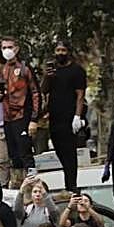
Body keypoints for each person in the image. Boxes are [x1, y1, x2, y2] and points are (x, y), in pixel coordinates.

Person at [42, 41, 88, 192]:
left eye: (63, 50)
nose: (60, 53)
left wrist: (77, 115)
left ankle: (71, 186)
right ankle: (68, 182)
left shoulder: (77, 70)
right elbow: (44, 90)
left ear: (68, 51)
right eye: (58, 50)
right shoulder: (52, 71)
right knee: (59, 150)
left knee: (69, 153)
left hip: (69, 117)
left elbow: (80, 95)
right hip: (54, 117)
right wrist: (47, 76)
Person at [0, 36, 40, 176]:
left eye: (10, 47)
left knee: (25, 153)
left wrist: (34, 119)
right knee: (13, 156)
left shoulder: (25, 69)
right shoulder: (2, 69)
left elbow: (35, 93)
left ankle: (32, 185)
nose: (7, 50)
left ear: (17, 49)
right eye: (4, 47)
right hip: (8, 118)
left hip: (23, 116)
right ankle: (18, 186)